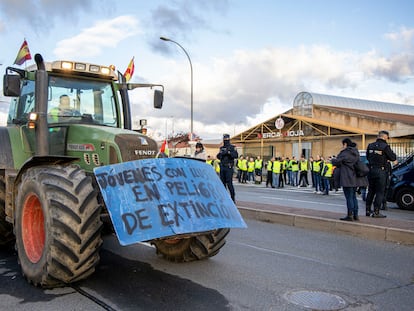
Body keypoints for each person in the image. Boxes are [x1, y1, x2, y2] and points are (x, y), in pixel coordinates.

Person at [332, 138, 368, 221]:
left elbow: (337, 162)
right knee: (353, 197)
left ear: (345, 144)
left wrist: (333, 160)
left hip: (347, 177)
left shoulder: (345, 153)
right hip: (355, 178)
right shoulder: (355, 152)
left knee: (349, 197)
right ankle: (356, 215)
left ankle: (350, 215)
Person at [365, 130, 397, 218]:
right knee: (380, 192)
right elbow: (393, 157)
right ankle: (376, 211)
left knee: (371, 191)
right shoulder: (385, 146)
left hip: (371, 170)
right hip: (381, 171)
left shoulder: (370, 145)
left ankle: (367, 210)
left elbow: (368, 157)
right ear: (384, 137)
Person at [217, 134, 238, 202]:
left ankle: (232, 198)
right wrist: (221, 154)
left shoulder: (232, 147)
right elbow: (218, 156)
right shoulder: (221, 148)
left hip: (229, 167)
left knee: (229, 183)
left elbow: (235, 155)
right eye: (224, 140)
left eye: (227, 140)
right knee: (222, 184)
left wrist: (228, 152)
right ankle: (224, 198)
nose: (225, 141)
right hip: (222, 167)